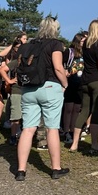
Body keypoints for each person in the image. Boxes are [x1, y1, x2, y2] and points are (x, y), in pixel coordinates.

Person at [15, 16, 69, 181]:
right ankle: (56, 168)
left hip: (28, 88)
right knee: (51, 128)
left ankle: (21, 170)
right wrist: (65, 84)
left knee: (28, 129)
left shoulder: (30, 45)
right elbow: (58, 67)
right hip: (49, 87)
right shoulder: (55, 44)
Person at [69, 20, 98, 154]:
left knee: (84, 112)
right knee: (96, 112)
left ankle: (74, 143)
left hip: (85, 81)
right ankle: (94, 145)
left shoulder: (86, 44)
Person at [62, 33, 86, 145]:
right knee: (68, 108)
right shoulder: (69, 52)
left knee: (77, 108)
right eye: (82, 41)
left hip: (81, 83)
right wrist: (64, 72)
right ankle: (66, 131)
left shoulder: (85, 52)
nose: (84, 43)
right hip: (70, 82)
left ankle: (73, 131)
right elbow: (61, 63)